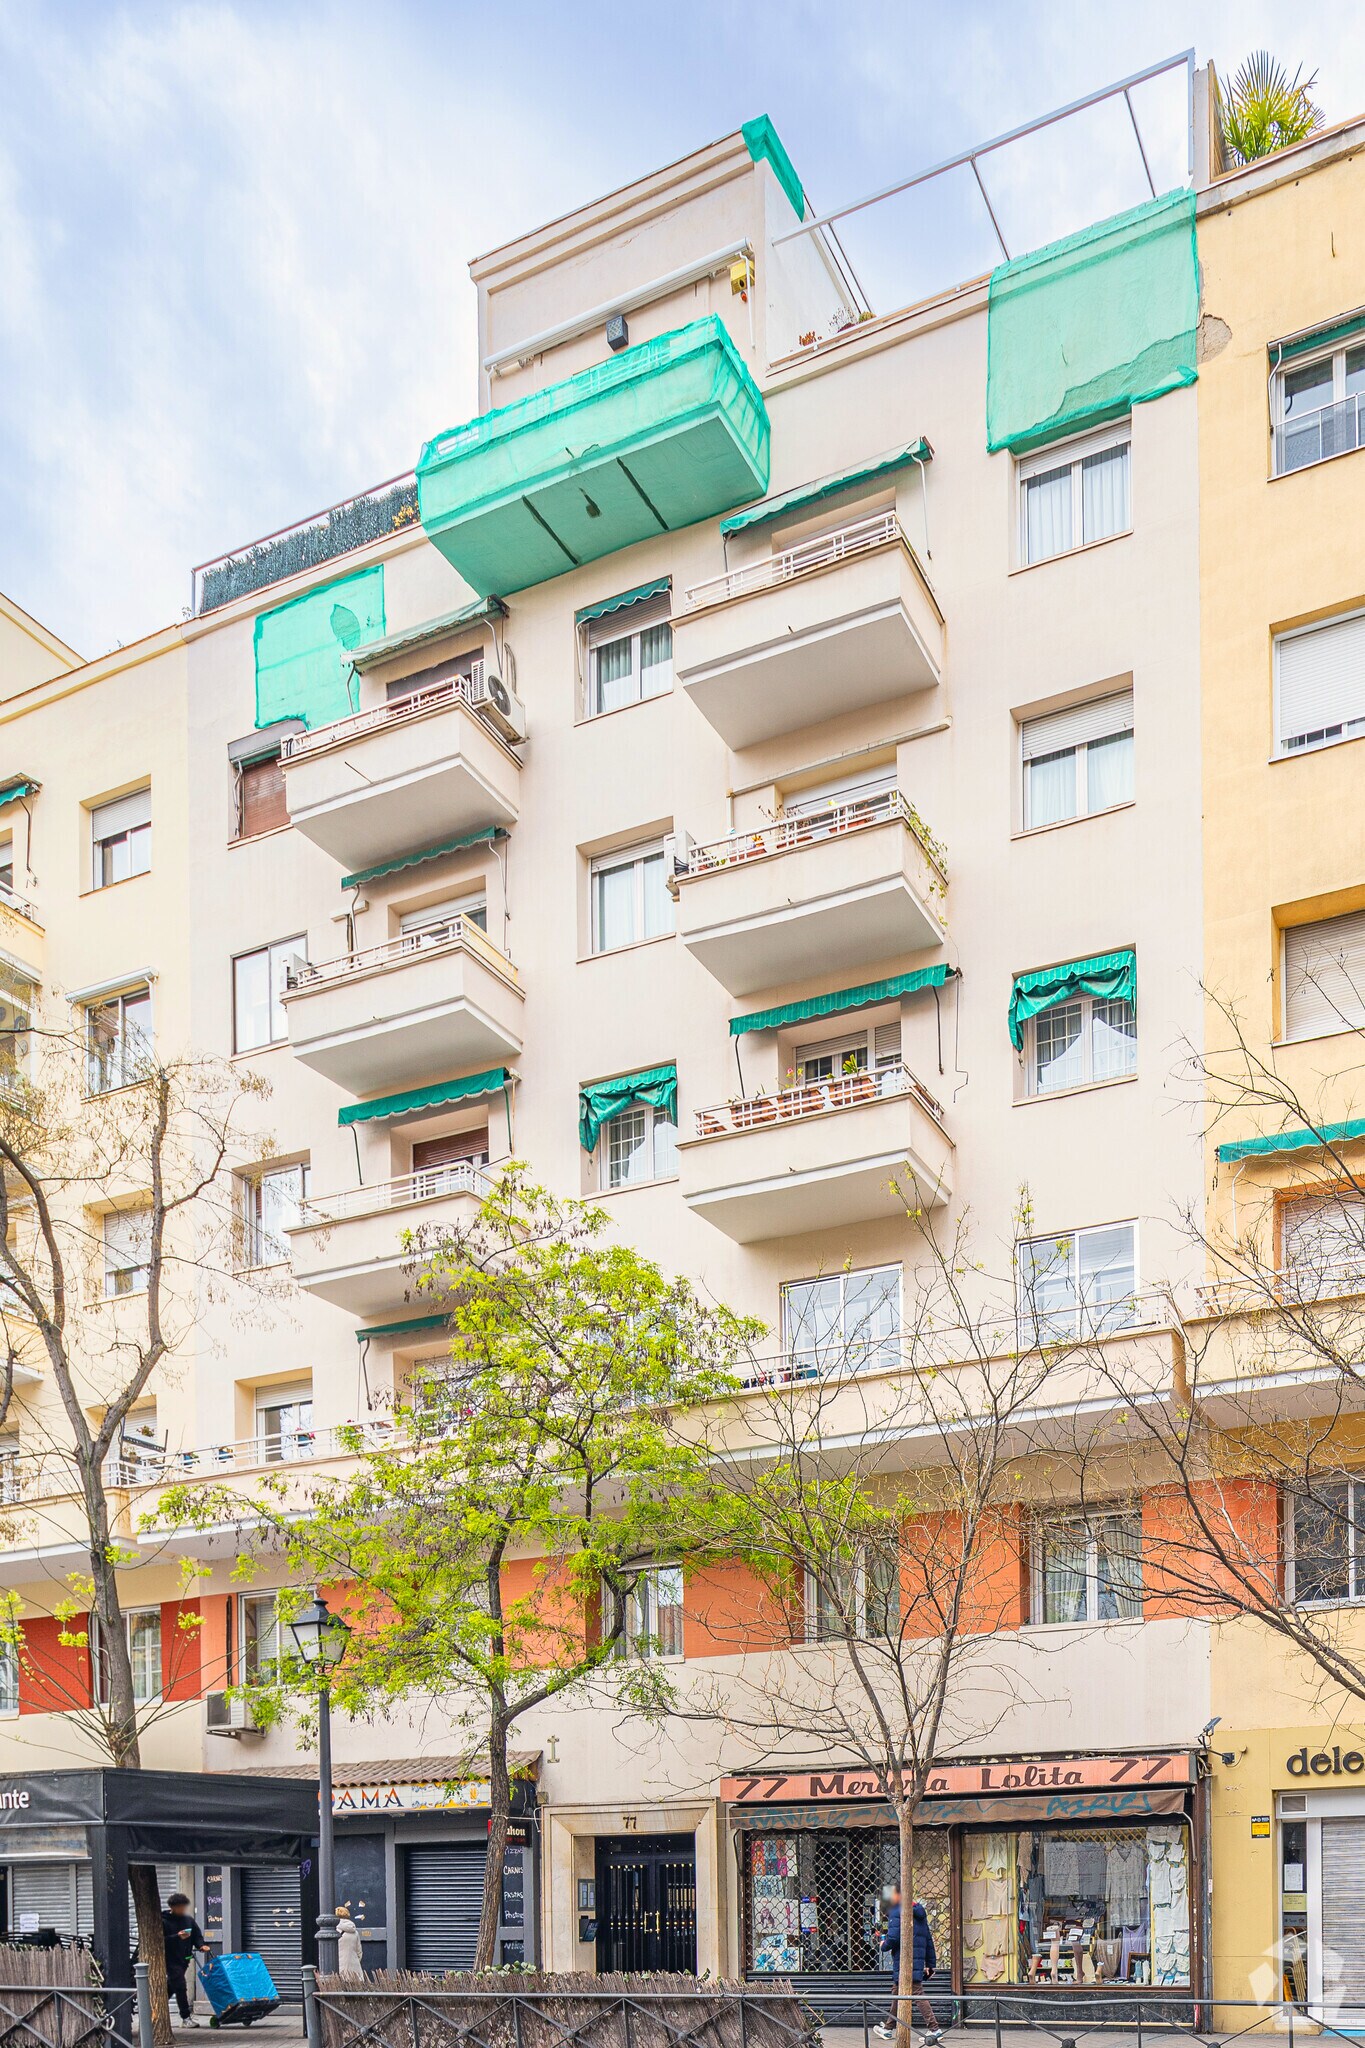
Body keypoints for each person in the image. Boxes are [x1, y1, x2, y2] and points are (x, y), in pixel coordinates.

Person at [874, 1886, 942, 2044]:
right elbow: (928, 1940)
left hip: (904, 1962)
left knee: (916, 1993)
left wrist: (883, 1944)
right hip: (916, 1961)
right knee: (897, 1993)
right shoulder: (919, 1912)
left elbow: (893, 1938)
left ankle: (934, 2029)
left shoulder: (897, 1912)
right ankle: (889, 2028)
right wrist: (931, 1964)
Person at [161, 1892, 210, 2027]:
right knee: (181, 1986)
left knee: (172, 1986)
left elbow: (196, 1936)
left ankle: (155, 2007)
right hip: (170, 1959)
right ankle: (186, 2017)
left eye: (184, 1907)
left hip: (184, 1959)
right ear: (173, 1907)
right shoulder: (163, 1921)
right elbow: (159, 1941)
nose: (183, 1910)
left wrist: (201, 1945)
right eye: (180, 1907)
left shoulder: (188, 1920)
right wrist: (177, 1936)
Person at [336, 1909, 364, 1977]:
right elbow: (359, 1952)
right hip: (355, 1970)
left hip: (339, 1969)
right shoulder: (355, 1932)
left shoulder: (335, 1931)